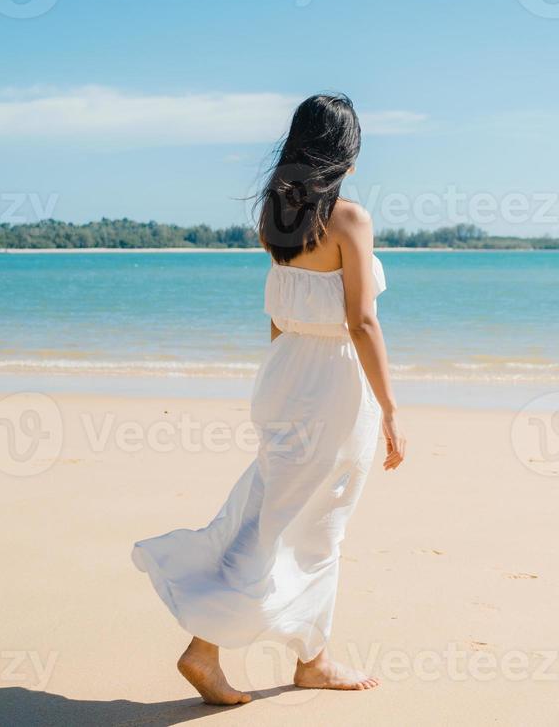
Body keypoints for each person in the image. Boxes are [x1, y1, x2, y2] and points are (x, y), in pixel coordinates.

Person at [132, 93, 405, 705]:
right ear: (345, 154)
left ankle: (303, 653)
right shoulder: (349, 220)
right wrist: (390, 408)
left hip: (284, 377)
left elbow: (281, 310)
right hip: (333, 387)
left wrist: (279, 377)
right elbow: (362, 322)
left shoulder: (273, 217)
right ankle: (228, 651)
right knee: (312, 522)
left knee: (274, 511)